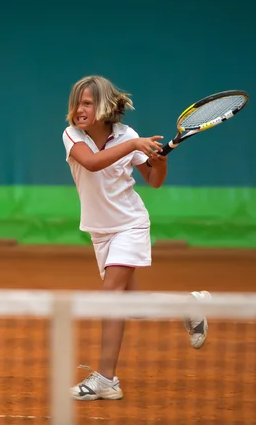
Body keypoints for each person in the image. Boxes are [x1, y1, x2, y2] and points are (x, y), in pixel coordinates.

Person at [61, 75, 211, 401]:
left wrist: (160, 161)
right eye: (76, 103)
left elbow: (154, 181)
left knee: (111, 295)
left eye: (87, 103)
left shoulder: (127, 136)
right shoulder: (73, 136)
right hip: (100, 232)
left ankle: (106, 379)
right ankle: (189, 305)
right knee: (133, 306)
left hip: (130, 225)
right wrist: (133, 145)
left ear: (102, 107)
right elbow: (91, 163)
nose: (79, 109)